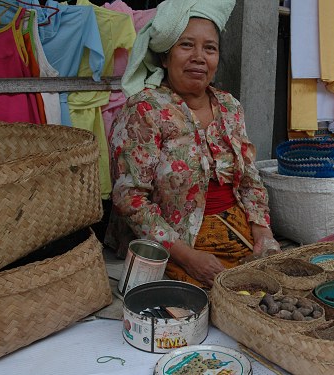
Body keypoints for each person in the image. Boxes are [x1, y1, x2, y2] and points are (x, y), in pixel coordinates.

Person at [109, 0, 280, 288]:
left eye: (209, 48)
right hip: (177, 245)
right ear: (165, 57)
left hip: (238, 234)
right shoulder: (144, 110)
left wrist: (262, 232)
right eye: (186, 45)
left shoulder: (229, 106)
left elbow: (250, 181)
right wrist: (188, 257)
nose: (199, 57)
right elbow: (130, 200)